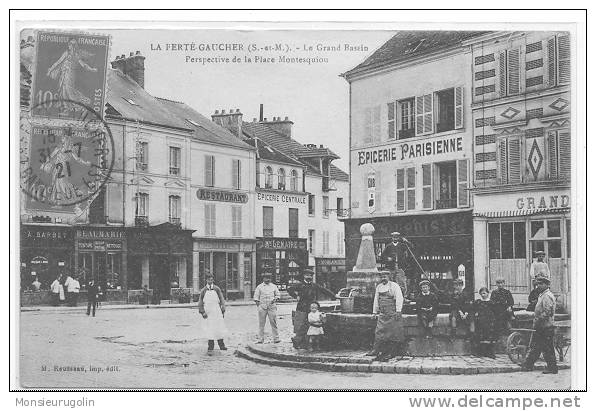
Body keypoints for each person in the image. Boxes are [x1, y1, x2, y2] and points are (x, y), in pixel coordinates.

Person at [521, 274, 558, 374]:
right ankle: (528, 365)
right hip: (541, 325)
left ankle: (552, 368)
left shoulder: (547, 296)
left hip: (546, 326)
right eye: (538, 284)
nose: (538, 286)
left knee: (547, 348)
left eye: (541, 284)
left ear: (547, 285)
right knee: (537, 347)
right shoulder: (542, 295)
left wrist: (538, 319)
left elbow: (547, 312)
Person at [367, 272, 404, 361]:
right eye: (382, 277)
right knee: (379, 332)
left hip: (392, 314)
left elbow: (399, 298)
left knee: (392, 333)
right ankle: (376, 350)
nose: (383, 278)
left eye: (385, 276)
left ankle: (391, 353)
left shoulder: (394, 286)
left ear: (389, 277)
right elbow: (376, 299)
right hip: (382, 314)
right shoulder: (379, 287)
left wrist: (398, 311)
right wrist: (374, 312)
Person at [287, 269, 326, 349]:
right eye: (307, 275)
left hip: (311, 309)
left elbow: (323, 290)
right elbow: (290, 289)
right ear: (304, 276)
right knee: (301, 325)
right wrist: (295, 296)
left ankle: (302, 342)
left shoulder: (314, 285)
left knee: (309, 326)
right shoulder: (300, 285)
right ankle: (297, 341)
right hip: (301, 308)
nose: (309, 277)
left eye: (311, 275)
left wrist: (334, 296)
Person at [197, 274, 228, 352]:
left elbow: (221, 299)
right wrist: (202, 312)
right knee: (210, 328)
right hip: (208, 312)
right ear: (206, 280)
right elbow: (200, 302)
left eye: (211, 280)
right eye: (208, 280)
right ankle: (210, 346)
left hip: (216, 311)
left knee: (219, 327)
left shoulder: (217, 289)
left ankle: (221, 345)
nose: (210, 281)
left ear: (213, 280)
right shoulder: (204, 290)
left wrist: (223, 308)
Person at [253, 272, 280, 344]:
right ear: (263, 278)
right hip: (262, 307)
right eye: (266, 278)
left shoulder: (274, 286)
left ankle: (276, 338)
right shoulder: (259, 287)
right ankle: (260, 339)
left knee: (273, 322)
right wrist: (259, 306)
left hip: (272, 307)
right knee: (261, 324)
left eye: (269, 278)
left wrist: (275, 299)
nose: (268, 279)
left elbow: (278, 295)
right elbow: (256, 298)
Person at [471, 287, 497, 358]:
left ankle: (489, 352)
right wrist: (476, 313)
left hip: (489, 322)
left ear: (488, 294)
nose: (483, 295)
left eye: (484, 293)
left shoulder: (491, 302)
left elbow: (495, 312)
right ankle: (480, 352)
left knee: (489, 336)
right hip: (480, 322)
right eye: (481, 293)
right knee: (480, 336)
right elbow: (473, 309)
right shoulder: (478, 302)